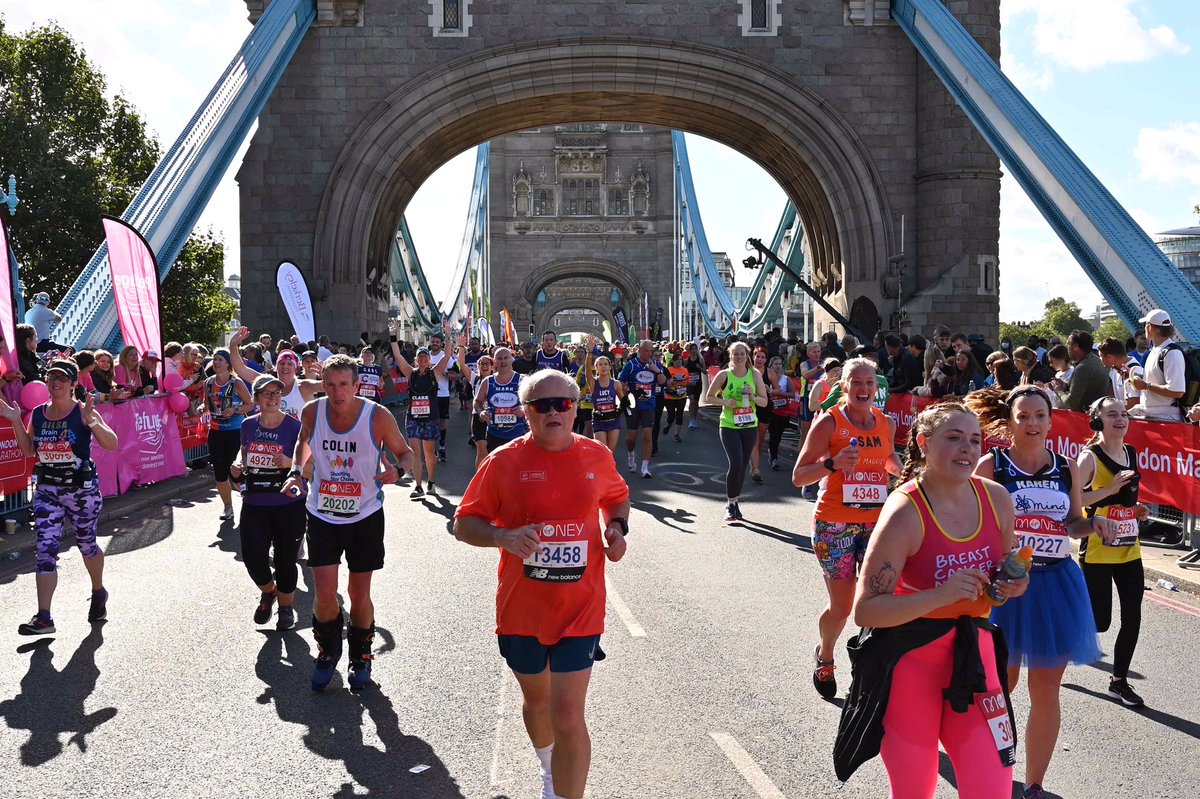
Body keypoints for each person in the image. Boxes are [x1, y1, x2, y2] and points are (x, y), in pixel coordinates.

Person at [453, 369, 630, 799]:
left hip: (580, 607)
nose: (553, 412)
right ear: (526, 413)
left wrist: (618, 528)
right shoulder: (503, 461)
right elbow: (463, 524)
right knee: (538, 703)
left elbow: (616, 497)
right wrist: (501, 536)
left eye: (562, 404)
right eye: (541, 405)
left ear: (575, 409)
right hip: (522, 610)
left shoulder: (596, 456)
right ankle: (549, 767)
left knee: (568, 715)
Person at [835, 401, 1025, 797]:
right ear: (922, 443)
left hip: (976, 657)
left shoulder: (997, 499)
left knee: (994, 788)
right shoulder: (905, 510)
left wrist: (1010, 586)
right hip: (910, 664)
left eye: (974, 440)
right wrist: (940, 596)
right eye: (953, 438)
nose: (967, 449)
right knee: (914, 790)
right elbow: (865, 610)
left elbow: (1002, 580)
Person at [967, 386, 1102, 799]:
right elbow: (969, 522)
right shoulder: (992, 466)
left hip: (1056, 584)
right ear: (1010, 421)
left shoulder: (1066, 468)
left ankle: (1034, 785)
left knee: (1046, 690)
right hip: (1004, 588)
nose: (1032, 423)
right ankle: (984, 765)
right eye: (1023, 416)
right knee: (997, 689)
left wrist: (1093, 526)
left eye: (1039, 415)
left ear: (1051, 420)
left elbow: (1074, 522)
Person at [282, 355, 412, 692]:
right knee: (325, 592)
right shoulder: (313, 411)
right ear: (322, 386)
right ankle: (328, 649)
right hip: (322, 513)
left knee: (358, 593)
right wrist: (298, 471)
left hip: (364, 515)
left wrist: (397, 471)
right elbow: (303, 442)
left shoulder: (377, 416)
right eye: (330, 385)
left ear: (357, 385)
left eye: (344, 385)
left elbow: (405, 453)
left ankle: (361, 654)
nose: (337, 392)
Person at [792, 357, 902, 698]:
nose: (864, 389)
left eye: (870, 383)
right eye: (856, 382)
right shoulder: (829, 423)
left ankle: (873, 670)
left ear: (877, 389)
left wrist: (909, 472)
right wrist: (832, 464)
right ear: (844, 387)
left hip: (875, 525)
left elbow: (889, 461)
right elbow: (799, 476)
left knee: (880, 600)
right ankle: (825, 655)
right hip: (834, 524)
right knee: (843, 606)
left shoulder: (885, 422)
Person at [12, 360, 119, 635]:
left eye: (62, 378)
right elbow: (27, 451)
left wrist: (92, 422)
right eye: (51, 378)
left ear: (74, 384)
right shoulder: (37, 414)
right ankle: (44, 617)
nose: (55, 383)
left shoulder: (83, 411)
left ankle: (98, 591)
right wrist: (15, 421)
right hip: (48, 491)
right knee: (45, 550)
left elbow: (112, 444)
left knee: (86, 545)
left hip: (81, 492)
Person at [1077, 397, 1150, 707]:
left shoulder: (1131, 453)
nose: (1120, 419)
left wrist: (1138, 511)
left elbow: (1127, 500)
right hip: (1097, 550)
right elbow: (1076, 497)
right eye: (1112, 414)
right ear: (1098, 421)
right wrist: (1108, 490)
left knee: (1132, 617)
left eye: (1123, 414)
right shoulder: (1089, 458)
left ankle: (1118, 682)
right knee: (1099, 622)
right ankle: (1060, 624)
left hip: (1129, 549)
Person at [230, 374, 305, 631]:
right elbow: (246, 452)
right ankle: (269, 591)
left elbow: (312, 463)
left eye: (276, 393)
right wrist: (238, 466)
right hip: (256, 500)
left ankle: (286, 609)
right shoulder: (248, 425)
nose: (272, 398)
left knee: (286, 560)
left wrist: (292, 464)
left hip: (288, 503)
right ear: (257, 398)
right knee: (252, 557)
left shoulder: (295, 427)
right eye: (266, 394)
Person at [389, 323, 457, 497]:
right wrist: (393, 335)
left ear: (429, 360)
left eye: (426, 357)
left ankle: (432, 482)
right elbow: (397, 355)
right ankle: (418, 486)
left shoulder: (435, 373)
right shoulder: (410, 373)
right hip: (413, 418)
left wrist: (448, 335)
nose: (423, 359)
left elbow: (448, 354)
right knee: (414, 453)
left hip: (430, 418)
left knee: (429, 452)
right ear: (416, 360)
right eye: (420, 357)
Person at [706, 341, 769, 522]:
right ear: (730, 356)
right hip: (729, 425)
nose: (739, 357)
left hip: (749, 425)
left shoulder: (755, 375)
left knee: (741, 466)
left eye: (742, 354)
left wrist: (752, 396)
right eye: (736, 354)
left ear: (747, 355)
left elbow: (764, 402)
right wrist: (725, 402)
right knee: (735, 463)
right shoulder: (724, 375)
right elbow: (710, 396)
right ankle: (730, 504)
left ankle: (736, 501)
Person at [205, 349, 255, 521]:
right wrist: (200, 409)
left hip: (235, 432)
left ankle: (248, 503)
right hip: (216, 432)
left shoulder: (236, 382)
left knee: (236, 470)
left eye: (220, 359)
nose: (216, 362)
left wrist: (234, 409)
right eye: (214, 359)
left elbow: (250, 404)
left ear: (228, 363)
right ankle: (228, 507)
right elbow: (207, 404)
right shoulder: (209, 382)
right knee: (219, 471)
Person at [229, 328, 321, 418]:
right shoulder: (266, 382)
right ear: (276, 367)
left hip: (297, 433)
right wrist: (233, 346)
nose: (285, 367)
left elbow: (327, 386)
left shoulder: (303, 386)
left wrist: (324, 374)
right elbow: (240, 368)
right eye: (282, 363)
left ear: (296, 368)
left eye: (289, 364)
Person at [618, 340, 666, 478]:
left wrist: (657, 371)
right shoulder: (631, 365)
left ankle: (645, 467)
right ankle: (631, 454)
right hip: (633, 405)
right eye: (647, 351)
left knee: (647, 435)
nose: (649, 354)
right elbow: (620, 381)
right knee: (632, 437)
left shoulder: (656, 364)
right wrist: (625, 388)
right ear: (640, 349)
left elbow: (663, 382)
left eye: (651, 351)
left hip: (649, 405)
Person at [1129, 309, 1186, 422]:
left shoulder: (1172, 353)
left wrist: (1146, 386)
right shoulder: (1156, 350)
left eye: (1145, 325)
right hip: (1155, 415)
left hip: (1165, 418)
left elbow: (1177, 391)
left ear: (1150, 327)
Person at [585, 350, 626, 457]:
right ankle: (601, 473)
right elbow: (587, 372)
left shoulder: (616, 384)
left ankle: (609, 473)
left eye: (605, 364)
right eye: (600, 364)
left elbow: (624, 401)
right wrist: (589, 353)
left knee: (610, 453)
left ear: (609, 367)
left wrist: (624, 406)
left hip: (613, 420)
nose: (603, 367)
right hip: (599, 420)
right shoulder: (593, 383)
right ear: (596, 368)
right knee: (602, 452)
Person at [1057, 330, 1107, 412]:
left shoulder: (1083, 368)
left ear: (1076, 346)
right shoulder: (1095, 360)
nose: (1067, 347)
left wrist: (1058, 390)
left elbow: (1071, 403)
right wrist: (1066, 386)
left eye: (1069, 344)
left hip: (1086, 417)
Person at [764, 355, 799, 471]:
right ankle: (774, 458)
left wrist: (779, 393)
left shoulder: (785, 379)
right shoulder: (766, 377)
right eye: (775, 364)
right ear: (771, 365)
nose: (778, 366)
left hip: (783, 411)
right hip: (771, 410)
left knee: (778, 435)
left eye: (779, 364)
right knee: (773, 434)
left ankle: (772, 451)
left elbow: (793, 394)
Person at [463, 351, 496, 470]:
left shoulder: (498, 380)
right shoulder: (475, 379)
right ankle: (480, 479)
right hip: (478, 417)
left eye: (487, 364)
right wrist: (461, 347)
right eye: (481, 364)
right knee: (481, 451)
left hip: (495, 418)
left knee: (494, 451)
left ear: (492, 366)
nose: (484, 366)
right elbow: (461, 364)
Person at [747, 348, 772, 484]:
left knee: (760, 440)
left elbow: (778, 389)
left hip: (764, 406)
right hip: (750, 406)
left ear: (766, 360)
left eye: (763, 357)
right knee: (754, 439)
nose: (760, 359)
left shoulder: (770, 372)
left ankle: (754, 463)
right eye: (758, 357)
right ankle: (756, 469)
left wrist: (770, 389)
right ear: (753, 357)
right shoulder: (748, 372)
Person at [663, 352, 690, 444]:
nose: (679, 361)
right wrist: (671, 382)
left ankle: (676, 435)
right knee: (671, 416)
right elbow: (664, 381)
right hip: (670, 395)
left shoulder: (685, 370)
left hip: (681, 395)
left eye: (680, 360)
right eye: (677, 360)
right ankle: (669, 424)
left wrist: (688, 383)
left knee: (679, 415)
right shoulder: (669, 370)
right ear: (673, 361)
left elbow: (687, 381)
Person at [682, 341, 704, 429]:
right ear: (689, 351)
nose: (694, 351)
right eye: (692, 349)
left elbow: (705, 372)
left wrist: (700, 368)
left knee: (696, 402)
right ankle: (691, 420)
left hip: (698, 383)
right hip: (690, 383)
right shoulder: (686, 361)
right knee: (691, 399)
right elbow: (683, 371)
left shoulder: (700, 360)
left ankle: (694, 418)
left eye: (695, 349)